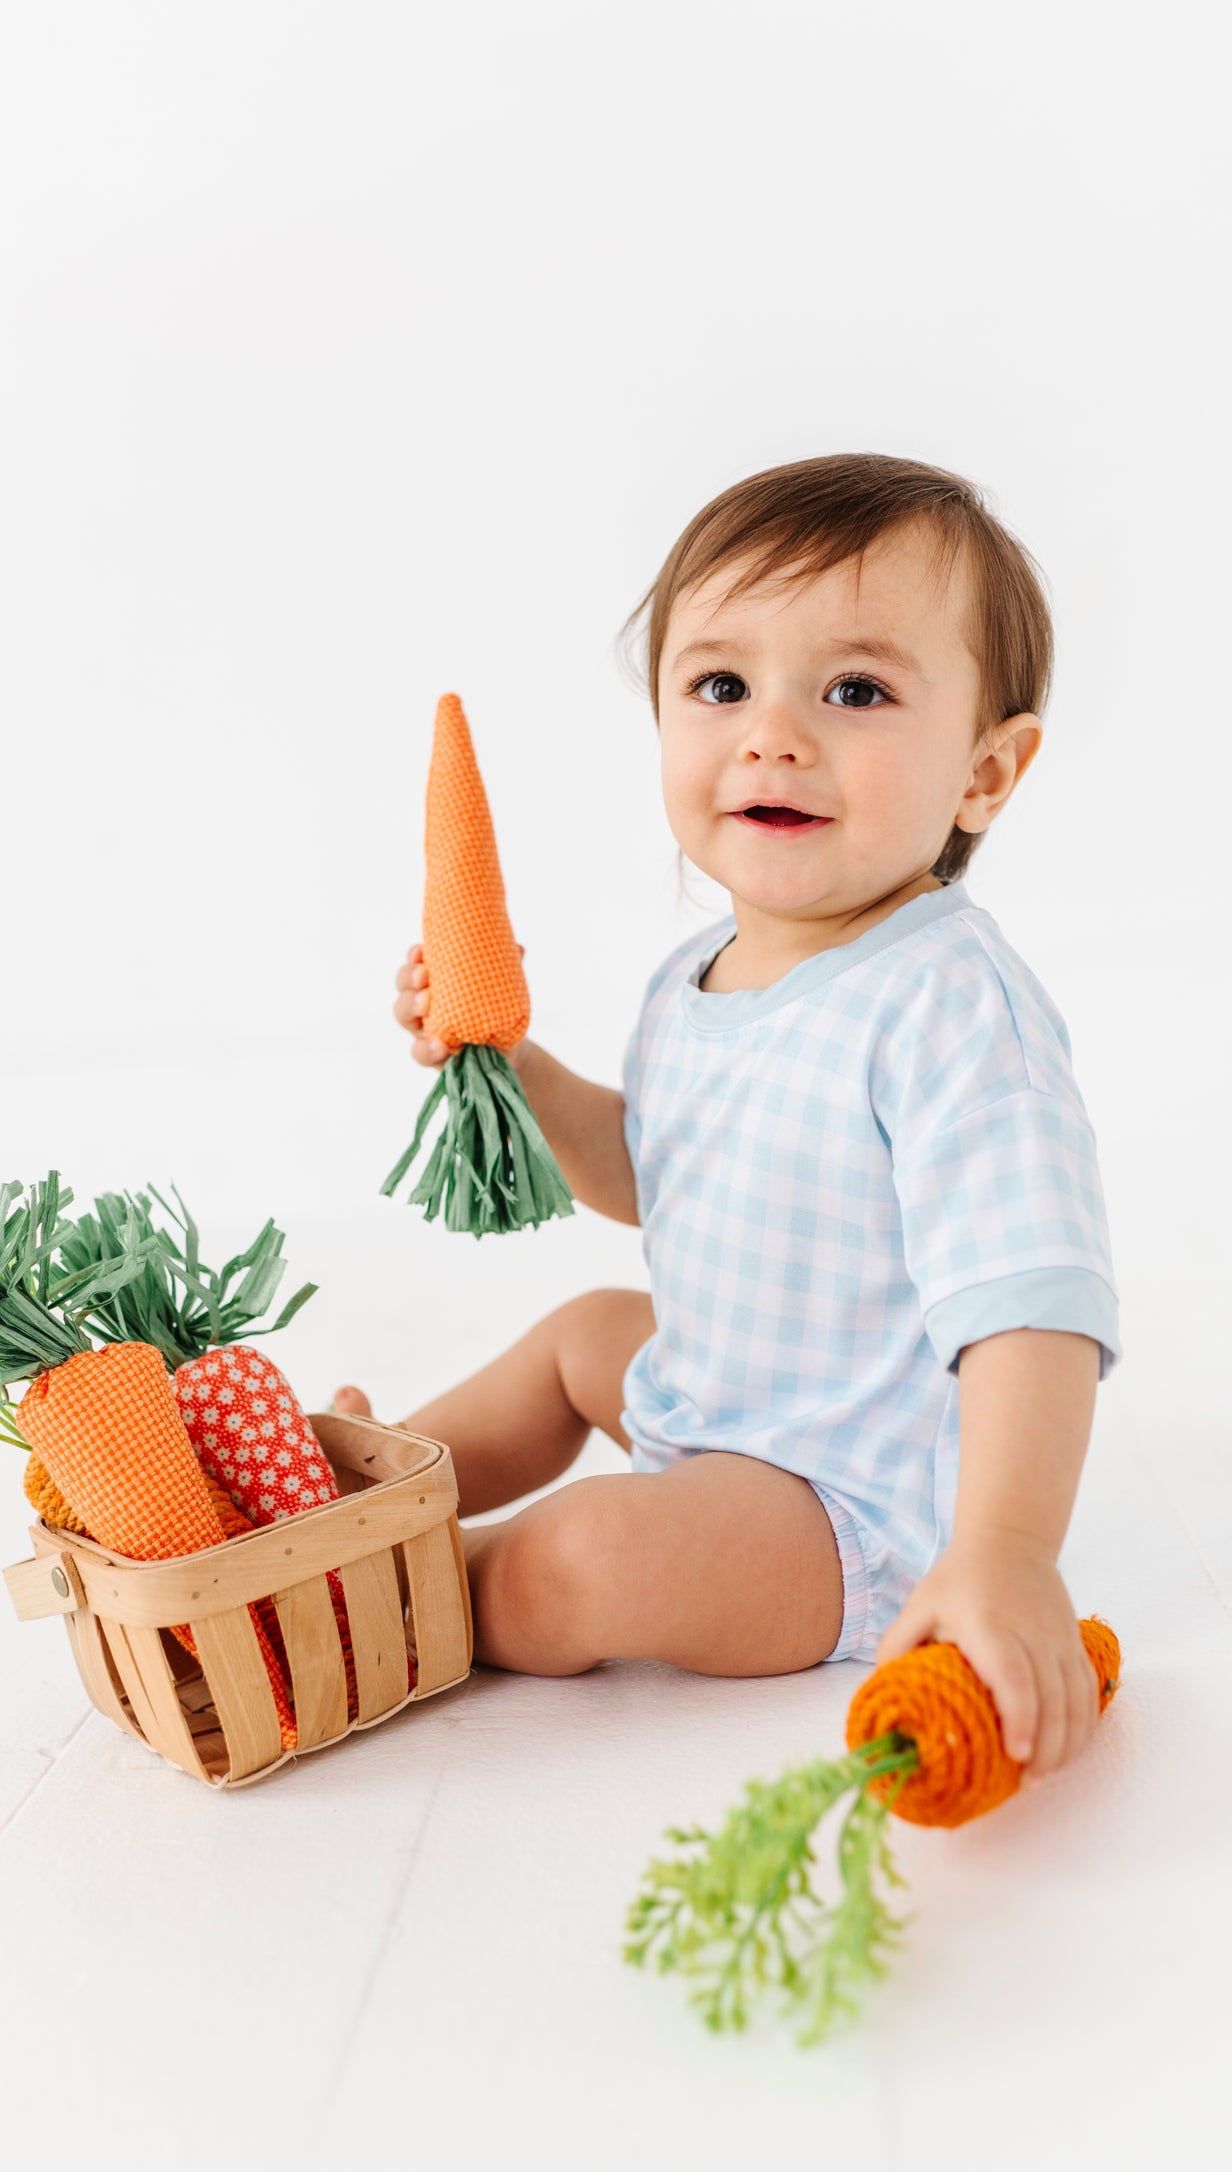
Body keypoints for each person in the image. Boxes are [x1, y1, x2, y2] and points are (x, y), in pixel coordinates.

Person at [335, 452, 1123, 1789]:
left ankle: (374, 1601)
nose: (772, 733)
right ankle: (359, 1499)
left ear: (986, 774)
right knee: (588, 1331)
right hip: (730, 1398)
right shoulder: (693, 976)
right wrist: (510, 1062)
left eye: (855, 690)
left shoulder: (948, 1007)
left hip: (845, 1513)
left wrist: (1002, 1553)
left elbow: (1026, 1310)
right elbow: (659, 1176)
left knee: (578, 1557)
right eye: (720, 685)